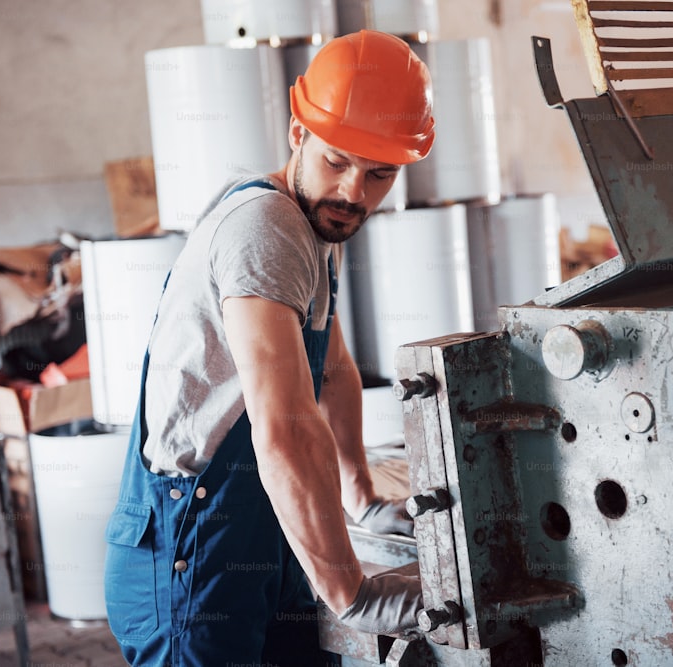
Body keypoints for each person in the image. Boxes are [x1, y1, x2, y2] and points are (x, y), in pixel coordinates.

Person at [103, 30, 435, 666]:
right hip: (192, 550)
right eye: (338, 161)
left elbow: (332, 372)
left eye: (380, 174)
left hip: (259, 525)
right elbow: (283, 424)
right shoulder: (268, 228)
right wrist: (349, 591)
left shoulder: (314, 226)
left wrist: (358, 493)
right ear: (297, 133)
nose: (353, 193)